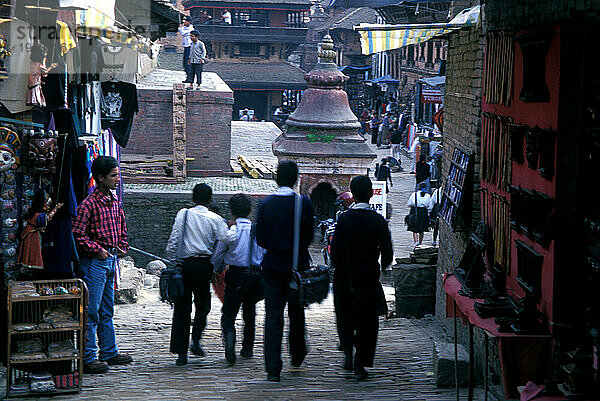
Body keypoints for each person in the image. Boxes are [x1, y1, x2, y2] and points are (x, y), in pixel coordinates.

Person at [72, 156, 133, 374]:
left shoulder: (115, 201)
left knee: (107, 310)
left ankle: (109, 351)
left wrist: (122, 246)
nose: (118, 179)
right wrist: (98, 251)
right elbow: (78, 233)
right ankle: (88, 357)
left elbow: (122, 228)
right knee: (91, 312)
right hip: (94, 264)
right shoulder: (88, 204)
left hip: (111, 261)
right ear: (100, 178)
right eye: (114, 175)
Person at [166, 183, 237, 366]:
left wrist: (173, 262)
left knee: (182, 309)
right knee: (203, 305)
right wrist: (235, 227)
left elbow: (173, 241)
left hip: (184, 265)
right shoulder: (215, 219)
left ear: (192, 198)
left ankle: (181, 353)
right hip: (204, 266)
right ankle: (196, 339)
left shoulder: (184, 214)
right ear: (210, 199)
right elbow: (228, 239)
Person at [256, 160, 314, 382]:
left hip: (272, 267)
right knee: (297, 312)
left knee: (273, 316)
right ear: (296, 178)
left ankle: (273, 367)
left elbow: (260, 238)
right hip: (297, 267)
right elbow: (309, 235)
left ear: (276, 178)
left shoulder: (266, 205)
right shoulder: (303, 203)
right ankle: (297, 354)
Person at [330, 175, 393, 380]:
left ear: (354, 195)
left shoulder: (344, 219)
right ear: (370, 194)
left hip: (345, 277)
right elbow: (387, 252)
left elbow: (335, 250)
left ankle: (348, 353)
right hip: (367, 277)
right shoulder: (377, 220)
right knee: (367, 321)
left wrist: (337, 266)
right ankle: (361, 363)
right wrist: (382, 267)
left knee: (345, 317)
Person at [211, 193, 265, 365]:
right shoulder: (257, 229)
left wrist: (214, 269)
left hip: (234, 273)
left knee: (229, 311)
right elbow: (263, 253)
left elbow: (219, 253)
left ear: (231, 211)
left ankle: (229, 336)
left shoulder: (229, 229)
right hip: (254, 274)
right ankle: (247, 348)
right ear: (250, 211)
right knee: (249, 311)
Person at [406, 182, 433, 247]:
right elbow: (430, 206)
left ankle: (416, 241)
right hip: (423, 212)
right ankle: (420, 243)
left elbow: (409, 203)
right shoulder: (428, 196)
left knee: (414, 227)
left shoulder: (414, 194)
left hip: (414, 211)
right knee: (422, 228)